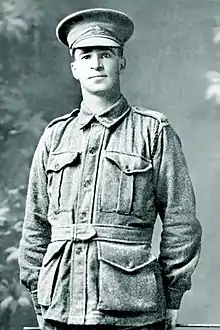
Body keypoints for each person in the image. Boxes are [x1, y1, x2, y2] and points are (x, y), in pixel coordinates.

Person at [18, 8, 202, 330]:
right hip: (59, 307)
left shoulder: (153, 132)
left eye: (106, 54)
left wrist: (172, 295)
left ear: (121, 62)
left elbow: (181, 220)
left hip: (133, 309)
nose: (96, 63)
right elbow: (35, 225)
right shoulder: (54, 137)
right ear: (75, 68)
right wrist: (38, 294)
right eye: (86, 56)